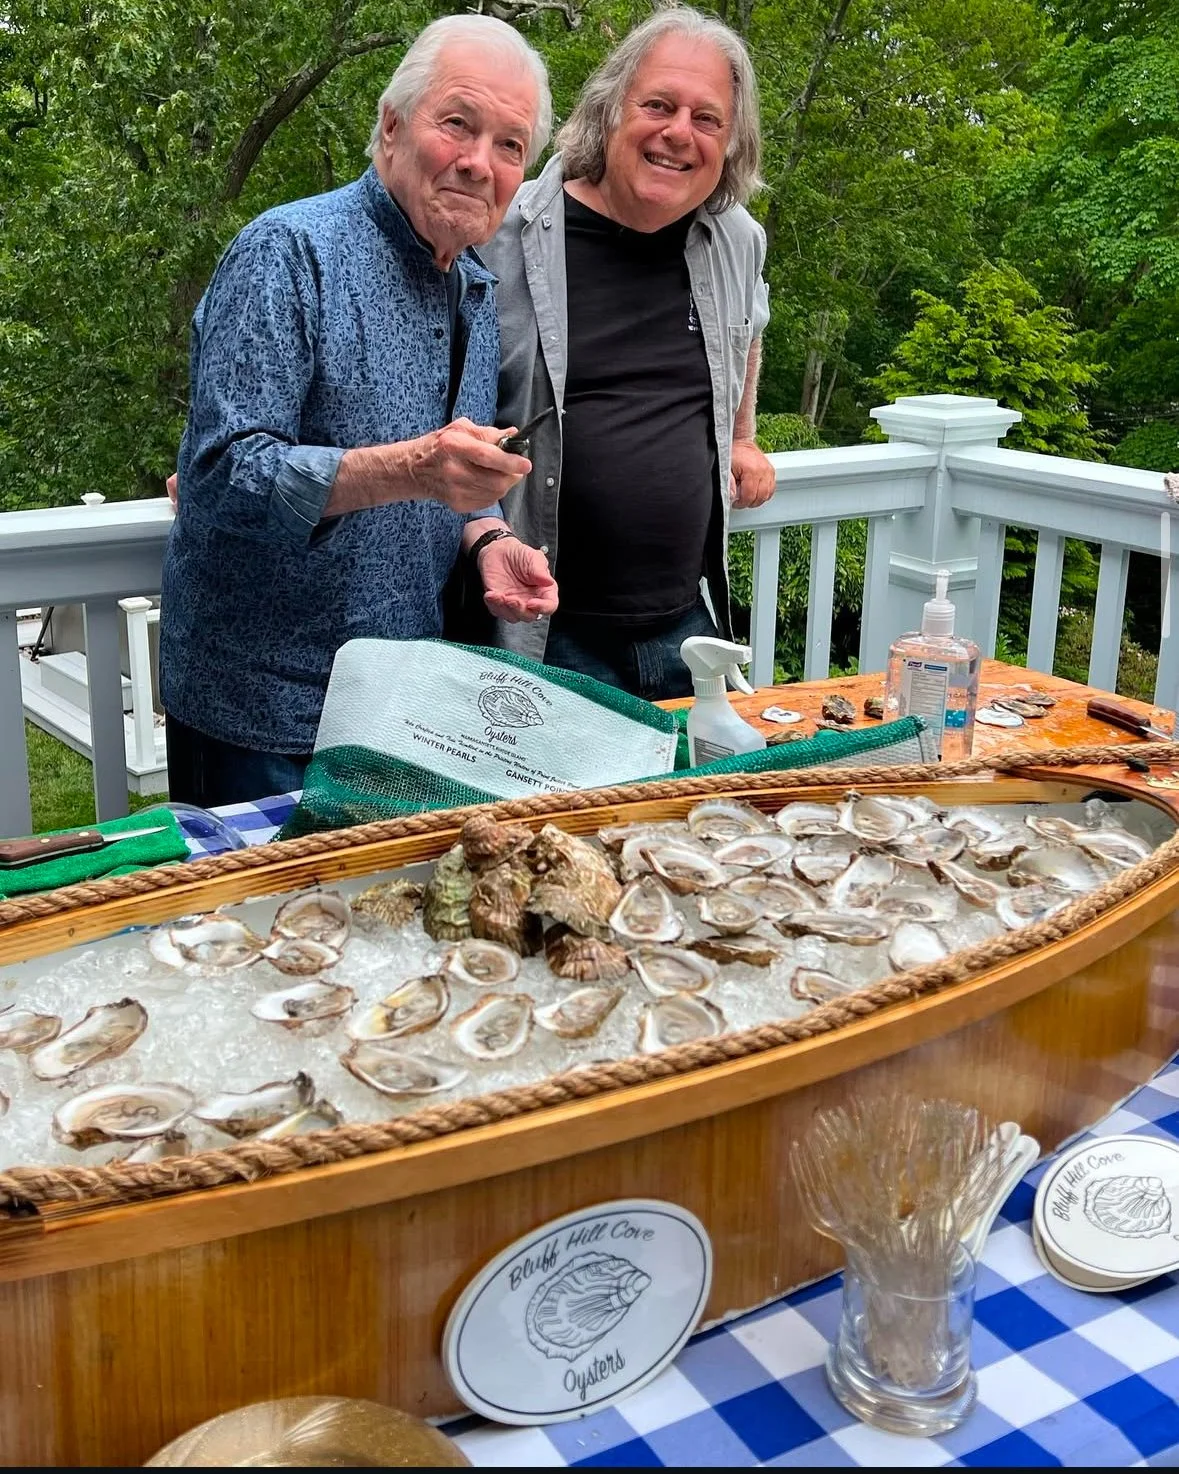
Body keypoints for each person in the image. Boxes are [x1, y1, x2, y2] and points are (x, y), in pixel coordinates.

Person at [159, 15, 558, 807]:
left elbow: (453, 470)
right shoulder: (288, 251)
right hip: (260, 717)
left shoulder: (472, 286)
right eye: (457, 124)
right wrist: (409, 467)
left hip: (394, 705)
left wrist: (487, 536)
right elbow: (219, 475)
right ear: (390, 126)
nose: (480, 162)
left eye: (509, 145)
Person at [480, 7, 775, 703]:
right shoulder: (506, 230)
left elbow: (748, 326)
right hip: (545, 633)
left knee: (699, 812)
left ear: (730, 145)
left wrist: (742, 437)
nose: (679, 133)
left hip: (688, 630)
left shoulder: (736, 238)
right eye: (659, 106)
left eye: (707, 119)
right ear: (609, 111)